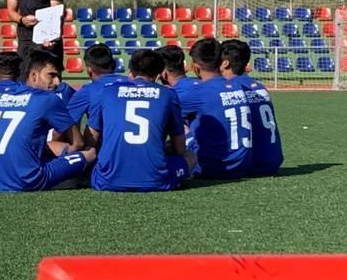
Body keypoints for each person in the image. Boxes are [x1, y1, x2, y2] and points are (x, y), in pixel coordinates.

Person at [0, 48, 95, 192]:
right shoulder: (48, 99)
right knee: (89, 152)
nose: (57, 82)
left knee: (48, 146)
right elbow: (78, 143)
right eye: (51, 75)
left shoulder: (5, 98)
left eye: (59, 77)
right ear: (34, 75)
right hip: (27, 180)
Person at [86, 49, 193, 192]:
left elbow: (91, 139)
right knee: (191, 157)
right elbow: (180, 148)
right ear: (158, 75)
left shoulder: (106, 91)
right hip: (156, 181)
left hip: (107, 180)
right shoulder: (168, 94)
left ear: (130, 72)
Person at [181, 38, 251, 179]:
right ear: (221, 61)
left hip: (213, 168)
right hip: (242, 165)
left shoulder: (199, 92)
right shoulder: (237, 86)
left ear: (195, 66)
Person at [220, 39, 284, 176]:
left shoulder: (230, 90)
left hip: (249, 163)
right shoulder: (259, 87)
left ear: (225, 63)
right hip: (272, 161)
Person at [66, 43, 127, 127]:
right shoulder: (132, 83)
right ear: (113, 65)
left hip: (104, 139)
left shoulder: (87, 92)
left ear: (89, 70)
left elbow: (65, 124)